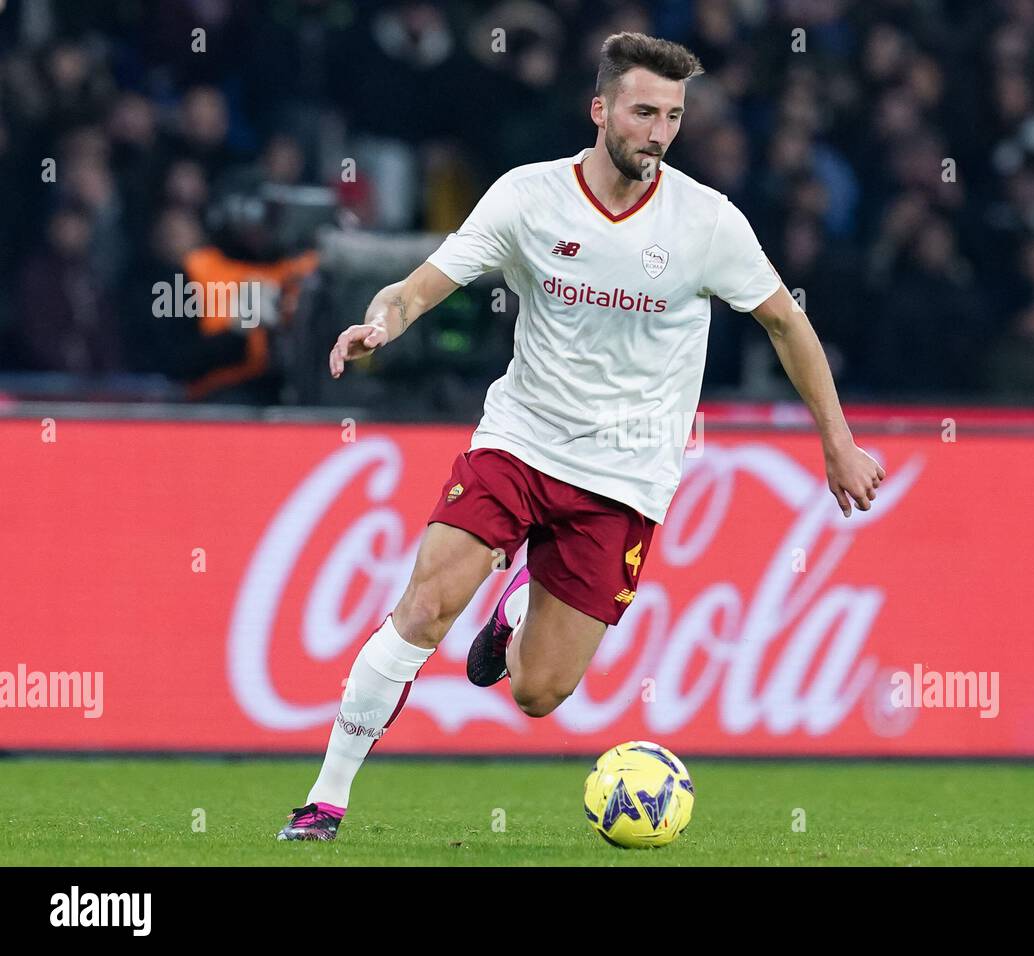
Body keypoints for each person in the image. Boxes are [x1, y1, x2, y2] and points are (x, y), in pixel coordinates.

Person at [278, 32, 885, 841]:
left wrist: (836, 442)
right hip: (520, 443)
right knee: (424, 606)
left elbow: (785, 321)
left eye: (672, 116)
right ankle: (325, 801)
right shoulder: (530, 197)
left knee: (537, 692)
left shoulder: (708, 221)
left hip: (626, 477)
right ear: (600, 111)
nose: (659, 132)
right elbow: (424, 281)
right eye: (643, 112)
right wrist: (380, 321)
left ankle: (516, 606)